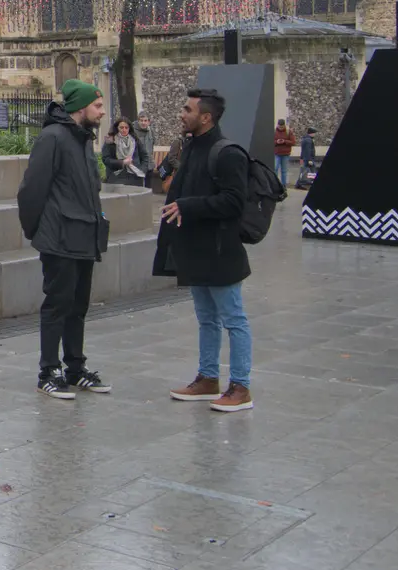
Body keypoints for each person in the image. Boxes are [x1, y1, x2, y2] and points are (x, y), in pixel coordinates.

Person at [156, 88, 254, 413]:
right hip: (196, 250)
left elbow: (234, 201)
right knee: (206, 319)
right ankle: (208, 378)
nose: (181, 113)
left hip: (221, 251)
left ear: (206, 117)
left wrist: (188, 205)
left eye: (188, 109)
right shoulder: (191, 148)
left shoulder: (228, 153)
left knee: (233, 319)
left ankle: (240, 386)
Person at [17, 78, 112, 400]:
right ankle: (48, 370)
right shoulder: (52, 137)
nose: (102, 111)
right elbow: (32, 189)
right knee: (58, 303)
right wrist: (36, 231)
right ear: (80, 107)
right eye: (97, 106)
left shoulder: (84, 139)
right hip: (58, 237)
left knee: (78, 305)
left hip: (84, 236)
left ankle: (75, 367)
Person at [101, 118, 145, 186]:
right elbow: (106, 159)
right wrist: (122, 162)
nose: (124, 130)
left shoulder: (135, 140)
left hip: (135, 176)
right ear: (117, 128)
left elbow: (145, 157)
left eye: (126, 127)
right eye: (121, 127)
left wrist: (142, 170)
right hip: (116, 176)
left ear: (129, 128)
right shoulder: (110, 140)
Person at [273, 119, 297, 185]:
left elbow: (293, 142)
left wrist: (285, 141)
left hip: (285, 154)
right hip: (276, 153)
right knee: (275, 168)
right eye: (279, 127)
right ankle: (275, 184)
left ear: (284, 125)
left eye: (282, 127)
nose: (280, 128)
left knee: (284, 170)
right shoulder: (274, 132)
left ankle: (283, 185)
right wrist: (276, 142)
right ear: (277, 125)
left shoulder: (288, 132)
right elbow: (270, 141)